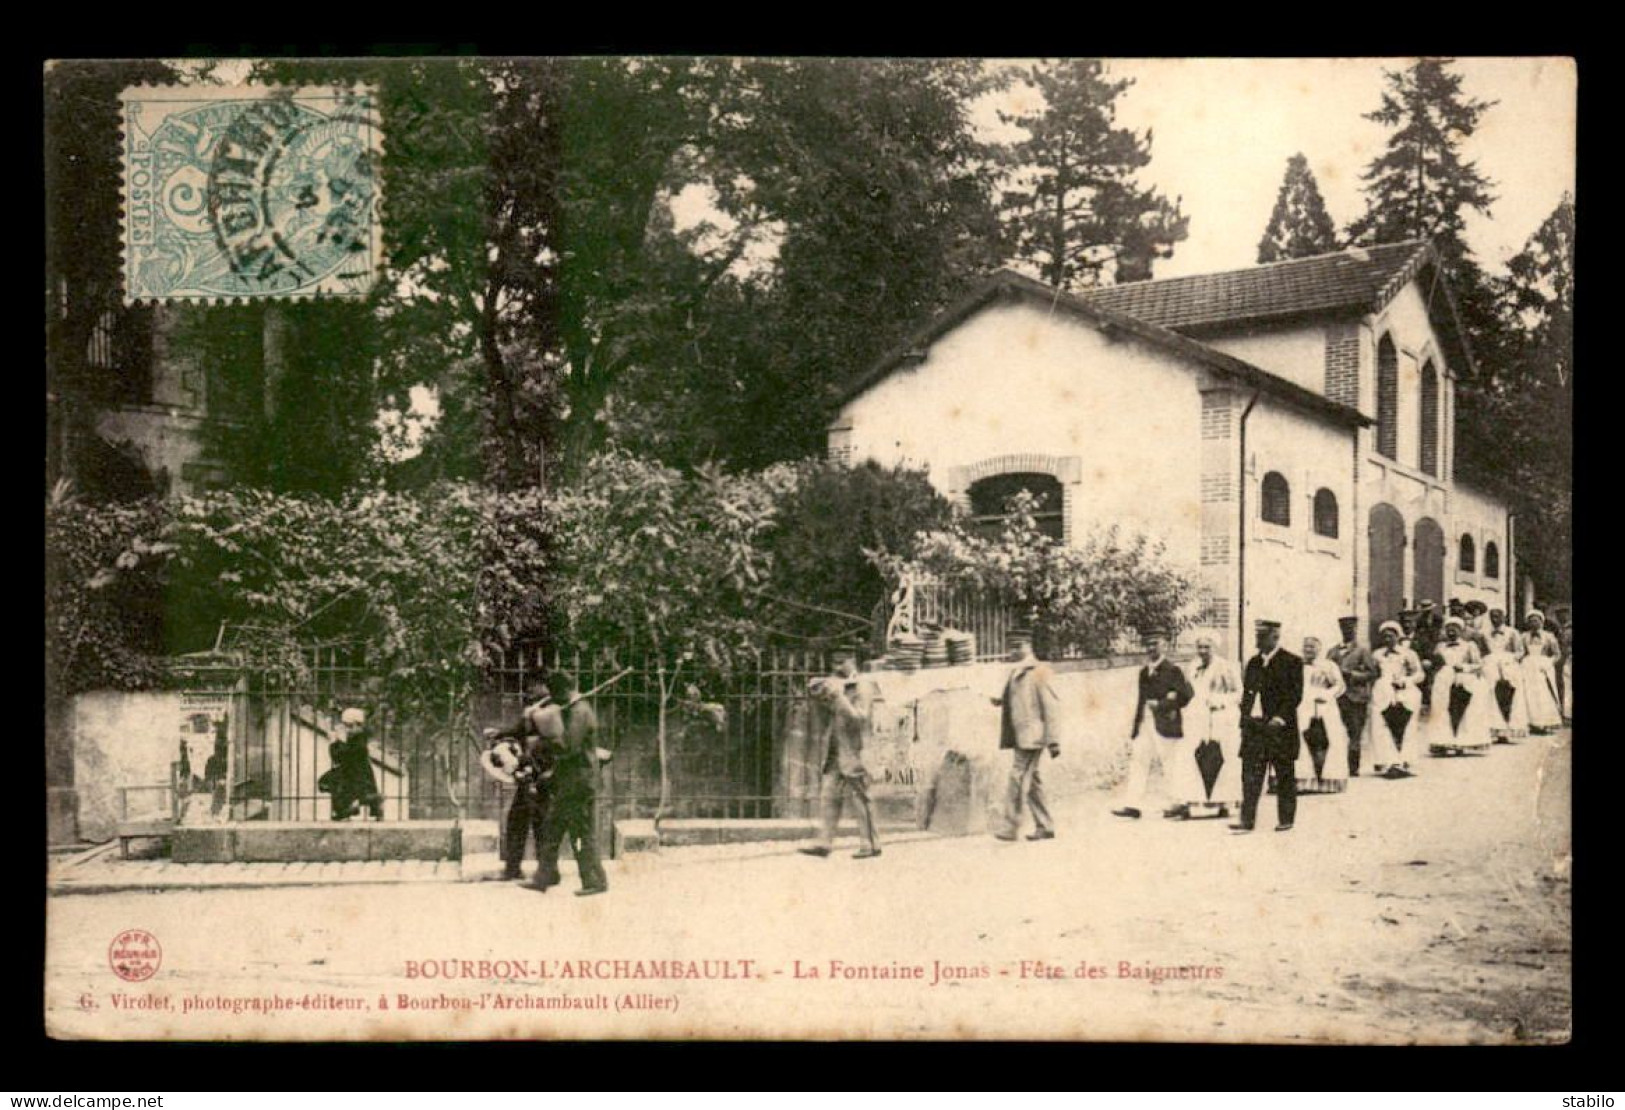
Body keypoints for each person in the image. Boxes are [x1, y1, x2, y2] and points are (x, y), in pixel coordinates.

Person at [799, 648, 883, 860]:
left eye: (840, 662)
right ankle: (824, 843)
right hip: (835, 750)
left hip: (856, 749)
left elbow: (860, 718)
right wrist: (821, 690)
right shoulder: (838, 683)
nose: (836, 667)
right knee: (829, 796)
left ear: (852, 660)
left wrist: (839, 697)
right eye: (834, 663)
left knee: (861, 798)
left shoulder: (863, 685)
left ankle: (871, 844)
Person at [536, 671, 609, 895]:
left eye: (554, 693)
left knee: (582, 833)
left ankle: (595, 881)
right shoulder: (572, 710)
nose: (552, 698)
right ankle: (545, 877)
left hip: (580, 783)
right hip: (569, 782)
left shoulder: (579, 712)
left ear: (561, 690)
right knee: (551, 828)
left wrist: (547, 731)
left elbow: (569, 747)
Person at [484, 677, 562, 883]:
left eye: (533, 686)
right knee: (519, 821)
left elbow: (550, 743)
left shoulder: (553, 710)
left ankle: (547, 872)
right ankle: (515, 868)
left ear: (544, 686)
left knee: (540, 824)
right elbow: (520, 731)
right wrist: (499, 733)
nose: (528, 691)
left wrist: (525, 760)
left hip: (543, 774)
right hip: (528, 774)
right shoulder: (534, 709)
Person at [1114, 629, 1196, 820]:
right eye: (1148, 644)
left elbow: (1186, 695)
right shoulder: (1144, 672)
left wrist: (1163, 704)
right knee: (1139, 760)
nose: (1151, 648)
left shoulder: (1172, 669)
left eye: (1155, 643)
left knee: (1170, 763)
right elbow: (1141, 700)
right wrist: (1136, 724)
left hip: (1166, 722)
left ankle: (1180, 803)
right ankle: (1133, 805)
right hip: (1145, 723)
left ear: (1164, 645)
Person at [1234, 619, 1303, 834]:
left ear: (1275, 637)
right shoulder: (1253, 662)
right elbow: (1248, 692)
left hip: (1278, 728)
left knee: (1283, 773)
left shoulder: (1292, 661)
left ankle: (1286, 819)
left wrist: (1280, 718)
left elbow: (1294, 696)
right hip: (1254, 727)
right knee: (1250, 774)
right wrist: (1244, 717)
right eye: (1257, 635)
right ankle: (1247, 820)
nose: (1257, 640)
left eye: (1262, 636)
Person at [992, 631, 1062, 841]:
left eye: (1017, 646)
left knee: (1017, 777)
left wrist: (1053, 740)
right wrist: (1001, 701)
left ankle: (1010, 827)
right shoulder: (1016, 671)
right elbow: (1020, 699)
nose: (1013, 651)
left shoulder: (1039, 671)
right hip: (1020, 734)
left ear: (1028, 646)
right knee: (1032, 781)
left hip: (1033, 736)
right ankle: (1045, 825)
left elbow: (1051, 706)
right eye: (1010, 646)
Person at [1185, 632, 1243, 818]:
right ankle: (1197, 799)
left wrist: (1220, 700)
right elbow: (1191, 691)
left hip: (1222, 716)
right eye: (1199, 647)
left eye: (1206, 647)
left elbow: (1238, 692)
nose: (1202, 651)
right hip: (1198, 716)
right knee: (1196, 753)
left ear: (1214, 647)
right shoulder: (1193, 666)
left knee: (1224, 755)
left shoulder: (1225, 667)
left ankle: (1225, 800)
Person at [1424, 616, 1492, 755]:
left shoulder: (1469, 646)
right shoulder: (1440, 646)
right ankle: (1443, 741)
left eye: (1455, 629)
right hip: (1444, 681)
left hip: (1463, 678)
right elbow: (1436, 664)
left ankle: (1463, 741)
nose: (1451, 632)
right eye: (1448, 629)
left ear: (1461, 631)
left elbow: (1479, 665)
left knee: (1464, 710)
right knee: (1442, 710)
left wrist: (1464, 668)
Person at [1295, 636, 1350, 794]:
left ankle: (1328, 779)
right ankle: (1303, 779)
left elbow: (1339, 685)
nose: (1308, 650)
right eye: (1306, 647)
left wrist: (1326, 694)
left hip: (1324, 705)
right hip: (1303, 705)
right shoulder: (1297, 665)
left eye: (1312, 647)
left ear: (1319, 649)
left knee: (1330, 737)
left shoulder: (1328, 666)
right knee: (1300, 736)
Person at [1369, 621, 1424, 777]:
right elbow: (1374, 673)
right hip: (1382, 692)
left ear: (1398, 636)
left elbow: (1420, 674)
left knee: (1407, 724)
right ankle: (1388, 761)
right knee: (1381, 724)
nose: (1387, 639)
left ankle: (1406, 760)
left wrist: (1406, 681)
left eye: (1391, 636)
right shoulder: (1377, 654)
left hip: (1404, 691)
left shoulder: (1408, 654)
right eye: (1384, 636)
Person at [1328, 616, 1377, 777]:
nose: (1348, 631)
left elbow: (1372, 673)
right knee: (1336, 731)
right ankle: (1337, 764)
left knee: (1355, 732)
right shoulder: (1333, 651)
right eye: (1344, 628)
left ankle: (1353, 767)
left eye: (1351, 628)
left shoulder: (1362, 651)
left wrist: (1352, 675)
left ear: (1355, 630)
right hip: (1337, 697)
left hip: (1356, 697)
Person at [322, 707, 383, 821]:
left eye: (349, 726)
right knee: (332, 782)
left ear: (357, 725)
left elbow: (340, 757)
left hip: (355, 775)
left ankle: (347, 809)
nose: (346, 729)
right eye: (345, 725)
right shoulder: (356, 738)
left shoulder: (358, 740)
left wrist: (335, 742)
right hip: (355, 774)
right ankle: (364, 804)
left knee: (333, 782)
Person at [1482, 608, 1529, 743]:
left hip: (1508, 667)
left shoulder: (1512, 633)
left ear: (1504, 617)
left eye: (1497, 616)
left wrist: (1508, 658)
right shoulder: (1485, 634)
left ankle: (1509, 728)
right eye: (1492, 617)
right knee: (1491, 695)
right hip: (1491, 666)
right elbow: (1482, 651)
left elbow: (1520, 651)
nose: (1495, 619)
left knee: (1510, 695)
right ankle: (1495, 728)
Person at [1521, 611, 1564, 734]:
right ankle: (1531, 722)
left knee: (1542, 694)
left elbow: (1557, 654)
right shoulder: (1523, 636)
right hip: (1528, 667)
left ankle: (1544, 722)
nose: (1534, 623)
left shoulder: (1549, 637)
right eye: (1531, 621)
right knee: (1527, 694)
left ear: (1542, 622)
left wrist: (1548, 663)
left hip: (1542, 667)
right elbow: (1521, 652)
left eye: (1536, 620)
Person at [1413, 601, 1442, 712]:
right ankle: (1425, 701)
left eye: (1428, 610)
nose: (1426, 612)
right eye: (1424, 610)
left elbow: (1438, 634)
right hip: (1424, 648)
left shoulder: (1437, 619)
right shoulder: (1419, 621)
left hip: (1435, 648)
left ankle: (1433, 701)